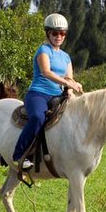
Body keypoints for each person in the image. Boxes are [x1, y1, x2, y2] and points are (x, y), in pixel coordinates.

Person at [12, 13, 83, 171]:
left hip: (58, 95)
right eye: (55, 33)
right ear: (48, 33)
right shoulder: (44, 50)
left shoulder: (65, 57)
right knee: (37, 117)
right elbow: (46, 72)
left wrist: (72, 87)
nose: (59, 36)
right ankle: (19, 155)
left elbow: (69, 78)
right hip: (38, 93)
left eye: (62, 33)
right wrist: (66, 82)